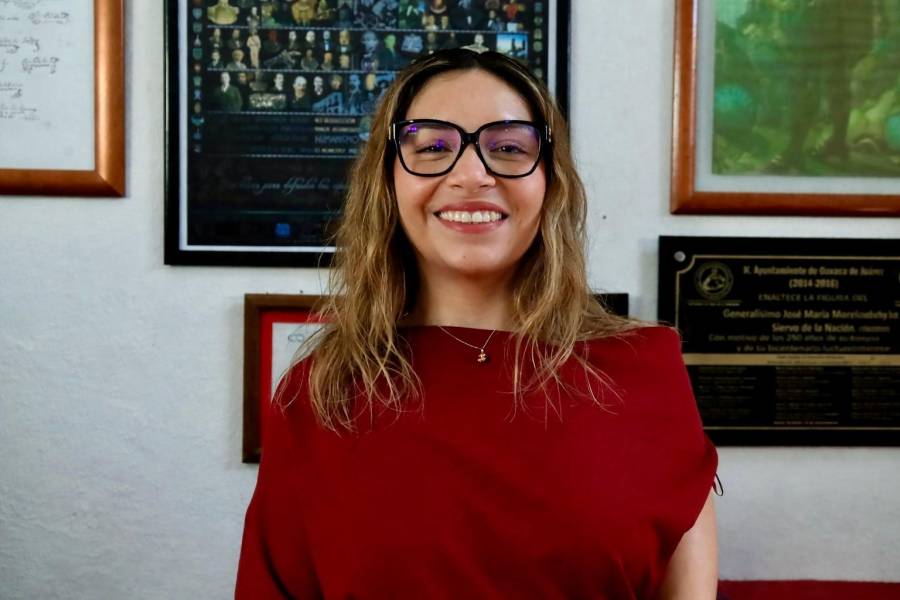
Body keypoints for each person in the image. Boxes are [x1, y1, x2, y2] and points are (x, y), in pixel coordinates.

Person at [235, 49, 719, 598]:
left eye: (508, 148)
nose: (471, 174)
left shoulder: (645, 371)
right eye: (432, 147)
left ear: (551, 181)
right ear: (387, 181)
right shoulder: (321, 391)